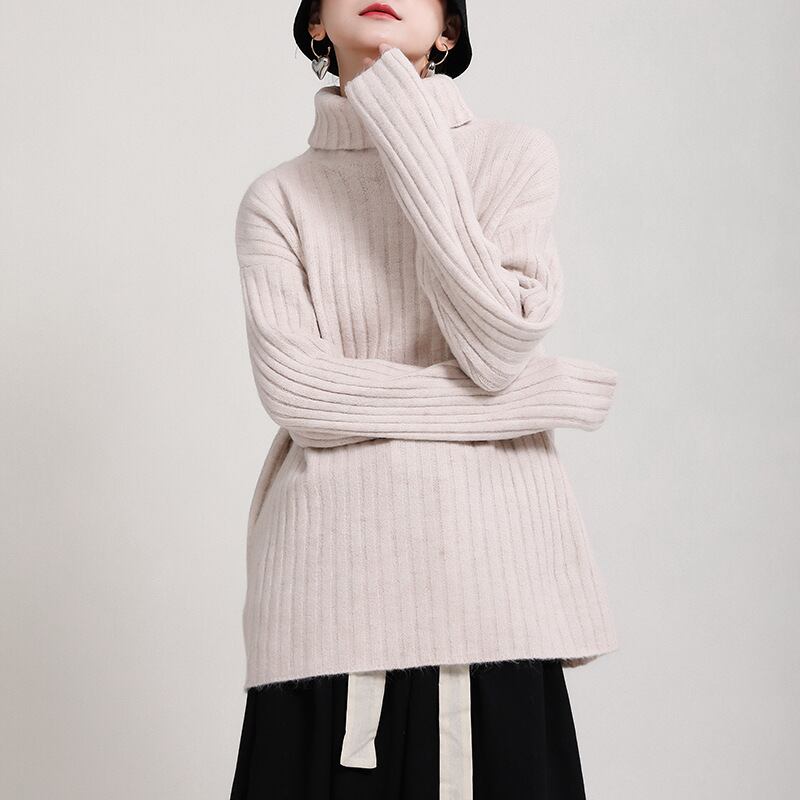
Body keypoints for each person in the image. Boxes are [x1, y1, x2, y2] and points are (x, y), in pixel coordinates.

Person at [229, 1, 619, 797]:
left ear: (448, 31)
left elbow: (496, 346)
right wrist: (523, 403)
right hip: (329, 589)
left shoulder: (513, 157)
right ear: (315, 24)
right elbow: (300, 394)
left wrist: (406, 126)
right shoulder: (278, 198)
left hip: (488, 583)